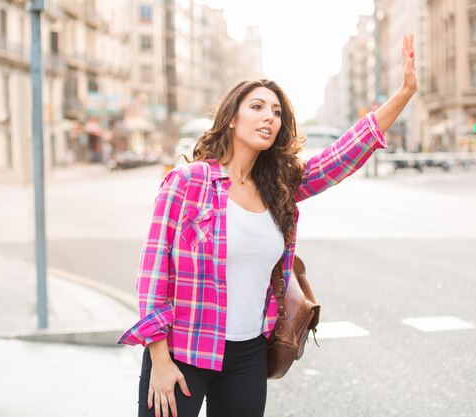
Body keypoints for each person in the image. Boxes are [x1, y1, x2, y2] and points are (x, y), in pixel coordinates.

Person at [118, 33, 418, 417]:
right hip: (184, 350)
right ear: (231, 118)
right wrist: (159, 360)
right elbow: (153, 273)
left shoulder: (279, 186)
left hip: (247, 354)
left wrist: (405, 92)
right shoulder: (189, 181)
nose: (269, 117)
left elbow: (345, 153)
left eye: (276, 111)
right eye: (257, 106)